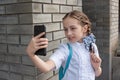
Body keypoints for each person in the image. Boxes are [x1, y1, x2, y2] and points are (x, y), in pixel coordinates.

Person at [26, 10, 102, 80]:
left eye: (73, 28)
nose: (68, 33)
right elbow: (46, 67)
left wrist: (97, 67)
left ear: (84, 29)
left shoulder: (92, 47)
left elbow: (97, 73)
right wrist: (31, 54)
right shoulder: (65, 49)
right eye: (65, 29)